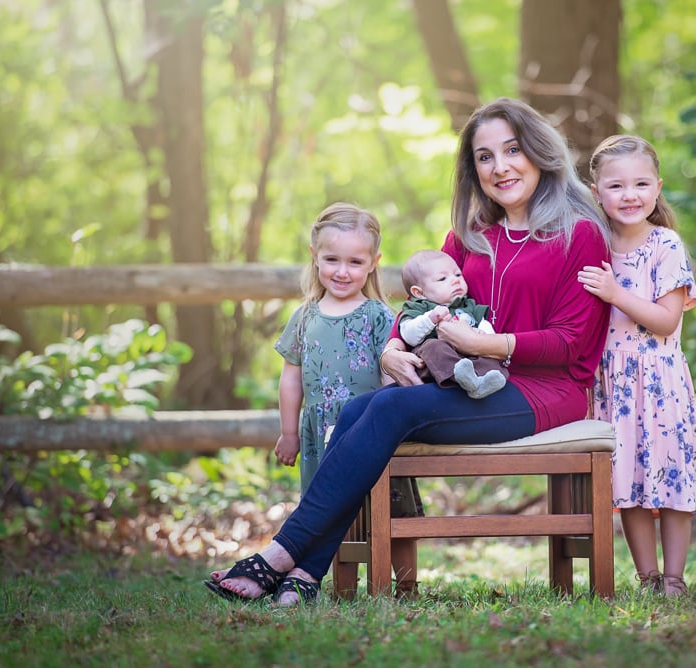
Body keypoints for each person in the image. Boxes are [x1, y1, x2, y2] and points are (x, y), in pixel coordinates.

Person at [204, 97, 611, 604]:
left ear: (538, 152)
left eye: (512, 150)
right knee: (358, 408)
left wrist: (486, 343)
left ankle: (280, 555)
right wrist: (393, 345)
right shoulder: (470, 233)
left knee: (393, 406)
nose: (500, 166)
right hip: (465, 380)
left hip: (543, 393)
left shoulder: (581, 234)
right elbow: (421, 303)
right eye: (484, 156)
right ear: (473, 169)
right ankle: (306, 575)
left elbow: (571, 342)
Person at [207, 202, 422, 605]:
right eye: (332, 260)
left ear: (374, 263)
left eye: (355, 262)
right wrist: (288, 432)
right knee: (324, 506)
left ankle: (407, 584)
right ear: (315, 257)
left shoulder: (379, 316)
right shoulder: (305, 316)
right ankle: (331, 581)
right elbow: (291, 378)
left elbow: (395, 370)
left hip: (370, 430)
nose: (343, 271)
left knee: (395, 510)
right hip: (318, 430)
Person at [578, 134, 696, 597]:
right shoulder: (592, 244)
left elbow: (666, 320)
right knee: (627, 483)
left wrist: (616, 293)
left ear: (657, 188)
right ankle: (647, 577)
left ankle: (674, 577)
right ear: (596, 193)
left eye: (640, 184)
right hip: (612, 382)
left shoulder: (664, 244)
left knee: (672, 481)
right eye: (615, 186)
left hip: (658, 380)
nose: (629, 195)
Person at [399, 249, 508, 399]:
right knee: (434, 347)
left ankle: (481, 381)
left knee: (488, 355)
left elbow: (483, 323)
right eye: (442, 278)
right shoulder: (419, 307)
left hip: (469, 357)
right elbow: (408, 334)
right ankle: (464, 378)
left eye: (458, 275)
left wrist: (485, 336)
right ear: (419, 293)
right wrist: (429, 319)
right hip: (436, 364)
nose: (455, 280)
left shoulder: (468, 305)